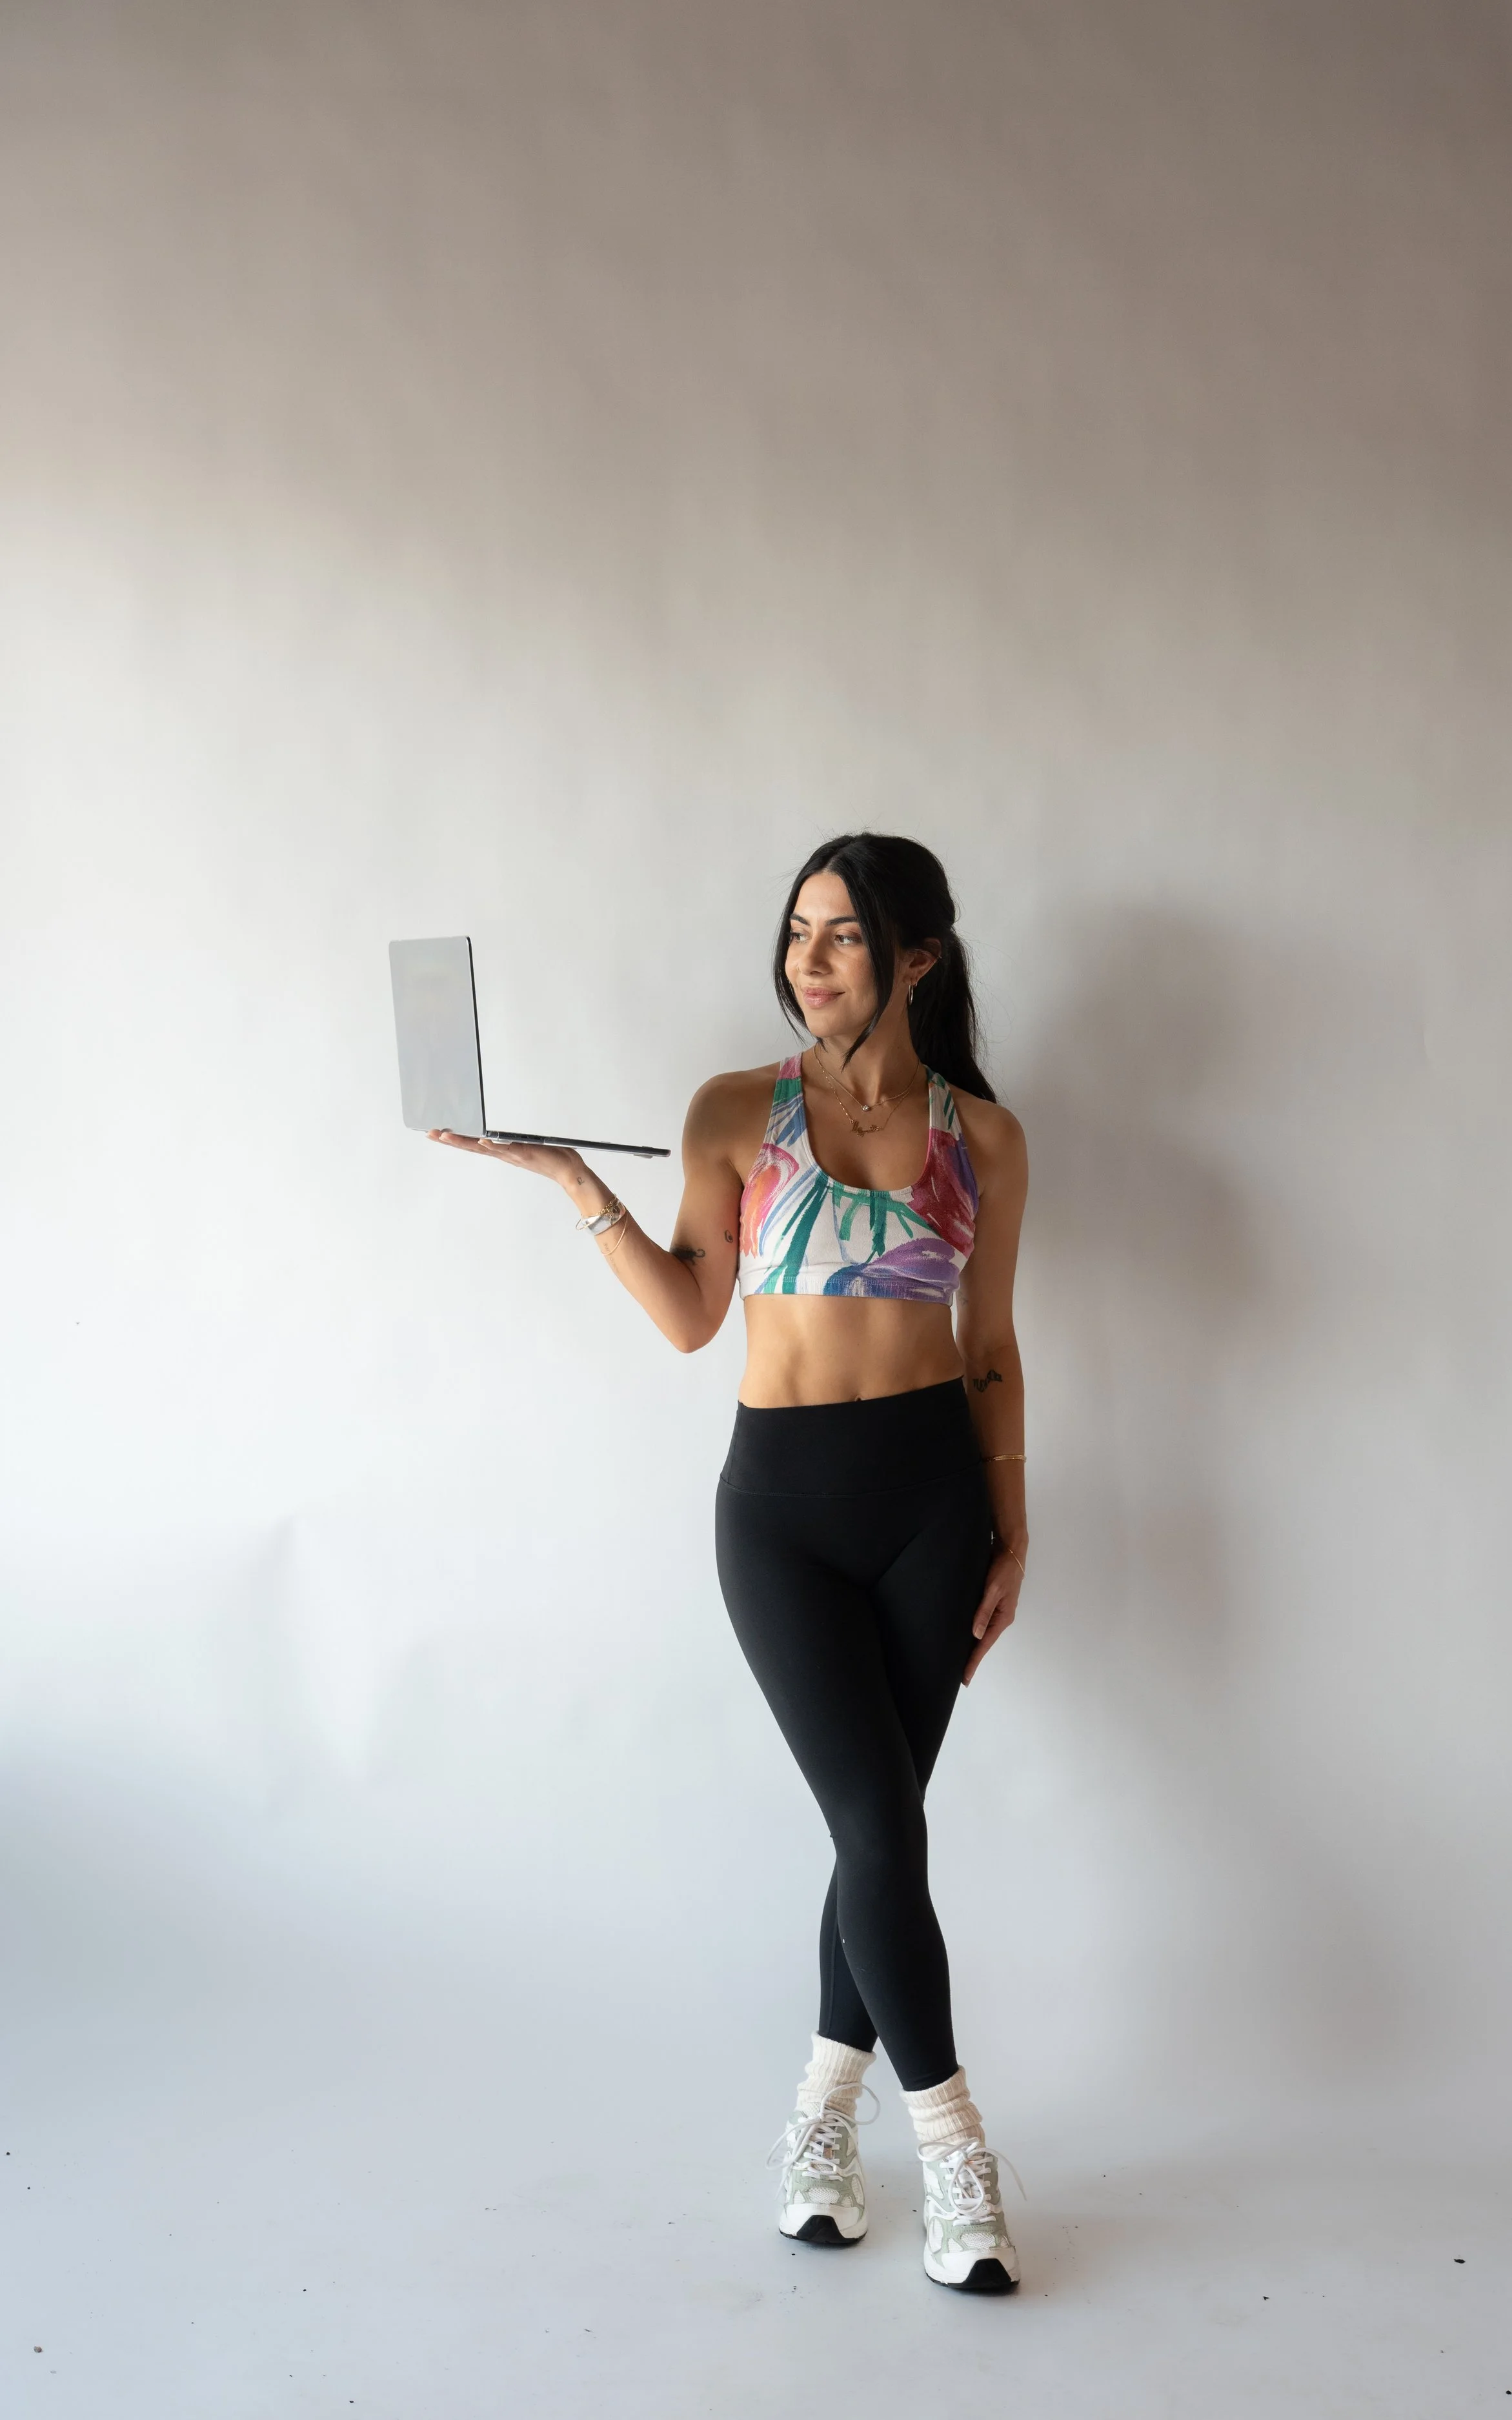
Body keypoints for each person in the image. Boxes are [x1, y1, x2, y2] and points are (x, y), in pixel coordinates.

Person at [429, 832, 1029, 2294]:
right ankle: (956, 2154)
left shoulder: (982, 1137)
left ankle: (820, 2122)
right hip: (779, 1513)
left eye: (840, 938)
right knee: (883, 1836)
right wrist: (579, 1184)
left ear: (917, 962)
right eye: (797, 934)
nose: (807, 962)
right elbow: (694, 1316)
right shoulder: (731, 1111)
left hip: (932, 1506)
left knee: (871, 1834)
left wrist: (1014, 1523)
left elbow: (989, 1347)